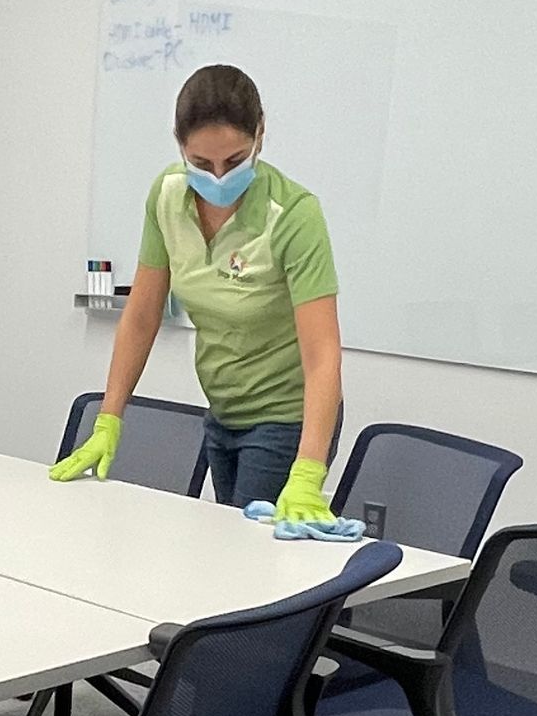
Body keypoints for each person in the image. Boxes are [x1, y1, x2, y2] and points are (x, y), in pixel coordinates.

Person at [52, 64, 343, 521]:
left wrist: (308, 472)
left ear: (260, 134)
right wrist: (108, 419)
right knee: (226, 541)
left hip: (286, 418)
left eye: (235, 161)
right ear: (180, 145)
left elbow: (322, 354)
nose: (220, 178)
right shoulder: (167, 197)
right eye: (202, 164)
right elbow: (142, 315)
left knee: (246, 552)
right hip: (222, 412)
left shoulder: (294, 215)